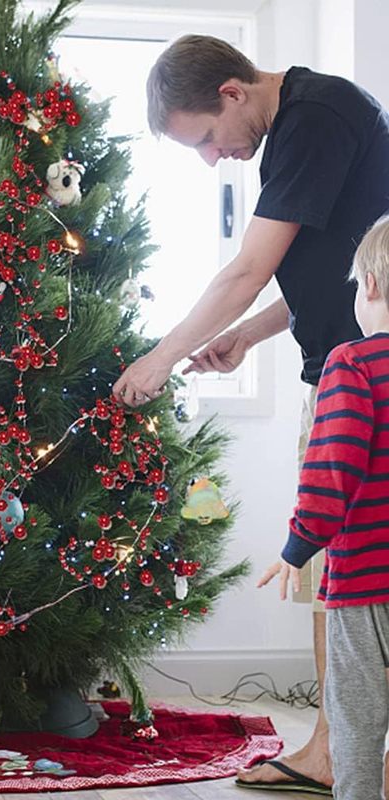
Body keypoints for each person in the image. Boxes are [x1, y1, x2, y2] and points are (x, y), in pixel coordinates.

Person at [112, 34, 389, 793]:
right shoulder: (307, 124)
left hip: (355, 382)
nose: (211, 159)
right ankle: (338, 747)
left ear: (233, 93)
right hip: (342, 367)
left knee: (345, 577)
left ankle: (342, 754)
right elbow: (323, 268)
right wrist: (246, 335)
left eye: (204, 139)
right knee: (346, 580)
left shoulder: (314, 118)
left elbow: (247, 268)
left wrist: (161, 357)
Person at [259, 216, 389, 800]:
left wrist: (297, 547)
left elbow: (331, 470)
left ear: (370, 286)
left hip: (366, 582)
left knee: (357, 714)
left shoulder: (353, 364)